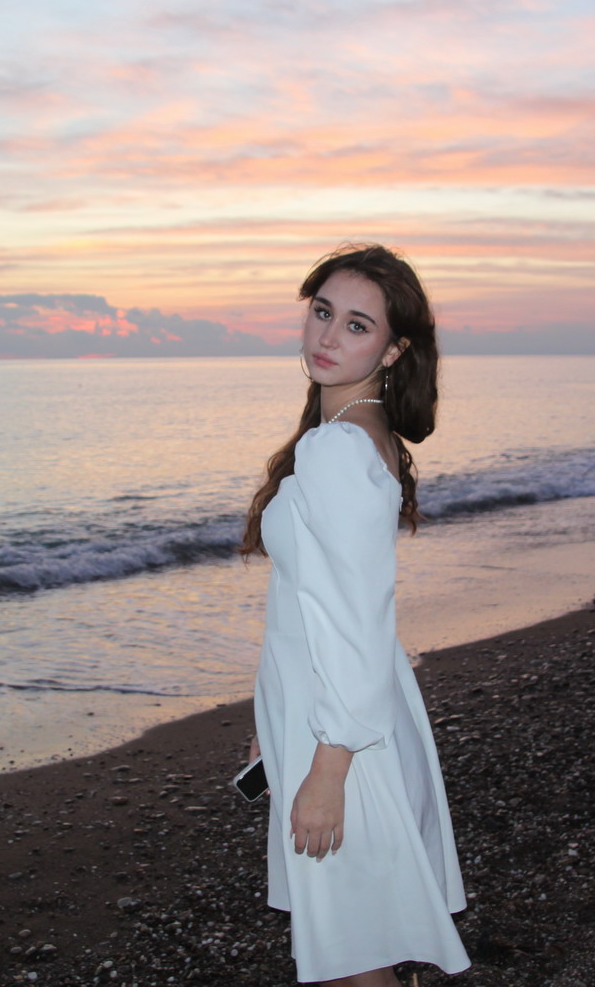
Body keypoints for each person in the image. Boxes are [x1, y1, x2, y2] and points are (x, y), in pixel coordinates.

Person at [240, 244, 470, 985]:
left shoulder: (338, 448)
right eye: (321, 312)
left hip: (343, 738)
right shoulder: (358, 434)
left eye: (357, 325)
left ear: (394, 350)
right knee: (359, 947)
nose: (327, 336)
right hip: (334, 716)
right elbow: (314, 604)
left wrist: (327, 768)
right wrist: (272, 722)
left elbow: (356, 619)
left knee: (351, 962)